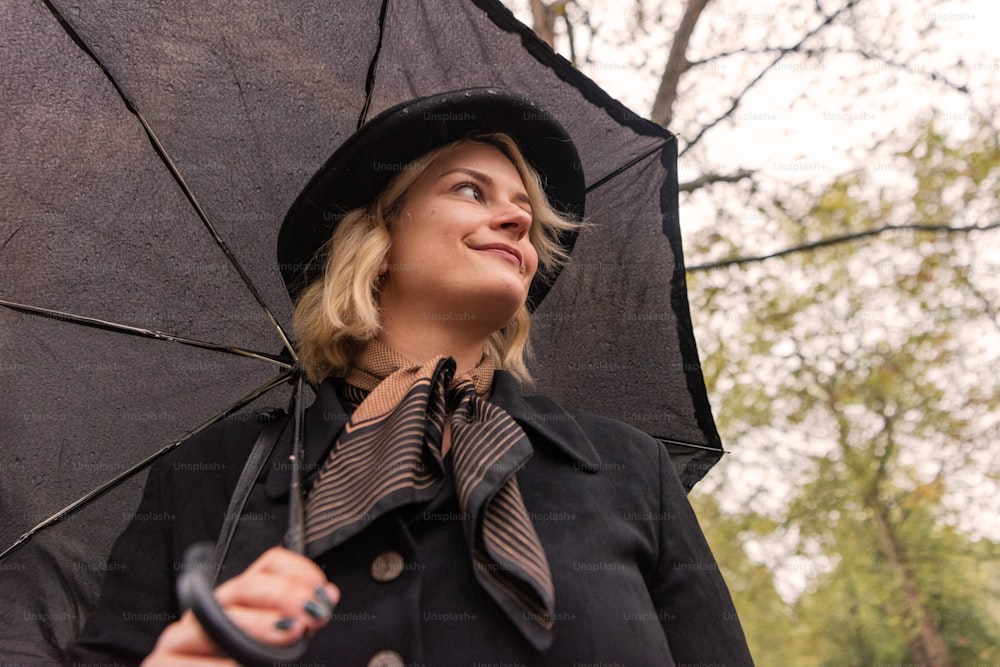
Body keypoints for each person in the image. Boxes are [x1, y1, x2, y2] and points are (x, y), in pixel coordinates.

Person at [69, 88, 753, 666]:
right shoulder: (210, 476)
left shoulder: (629, 471)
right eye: (469, 189)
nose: (518, 217)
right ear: (380, 240)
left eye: (525, 209)